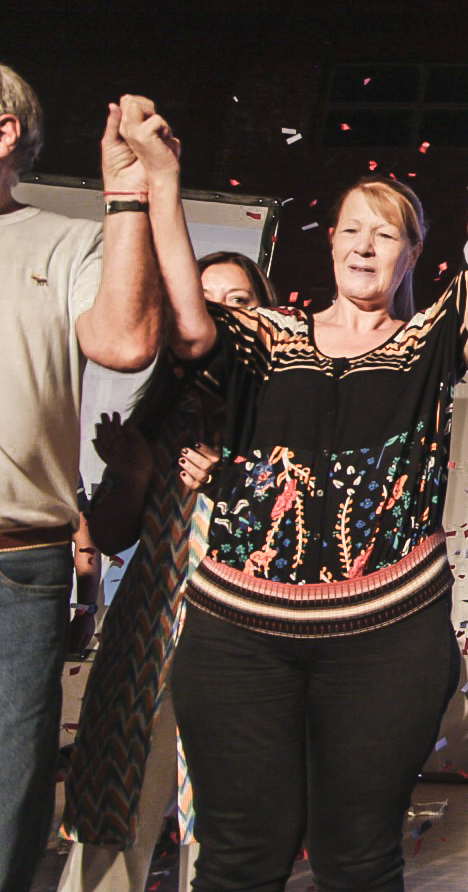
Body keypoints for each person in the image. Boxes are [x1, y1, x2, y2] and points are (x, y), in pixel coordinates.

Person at [124, 89, 468, 891]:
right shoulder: (264, 334)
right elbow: (188, 327)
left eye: (385, 232)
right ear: (329, 243)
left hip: (387, 638)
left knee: (357, 861)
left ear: (415, 252)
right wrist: (160, 180)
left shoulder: (430, 343)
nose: (364, 246)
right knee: (239, 860)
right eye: (351, 229)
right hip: (240, 636)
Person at [59, 252, 274, 892]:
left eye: (238, 302)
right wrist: (133, 473)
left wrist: (235, 480)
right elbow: (115, 532)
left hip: (241, 630)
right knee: (117, 796)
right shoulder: (158, 411)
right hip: (148, 626)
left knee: (224, 811)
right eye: (201, 301)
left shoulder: (284, 409)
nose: (218, 316)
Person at [1, 66, 163, 892]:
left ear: (3, 133)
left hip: (14, 561)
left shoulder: (63, 241)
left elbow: (127, 340)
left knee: (8, 791)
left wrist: (127, 195)